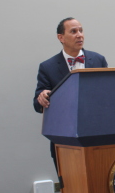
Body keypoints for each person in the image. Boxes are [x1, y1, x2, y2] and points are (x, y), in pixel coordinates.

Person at [33, 17, 108, 170]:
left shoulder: (99, 60)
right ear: (61, 37)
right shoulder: (48, 67)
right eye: (73, 31)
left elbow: (108, 96)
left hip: (97, 135)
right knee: (70, 185)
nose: (79, 35)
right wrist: (42, 96)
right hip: (64, 140)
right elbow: (37, 104)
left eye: (81, 30)